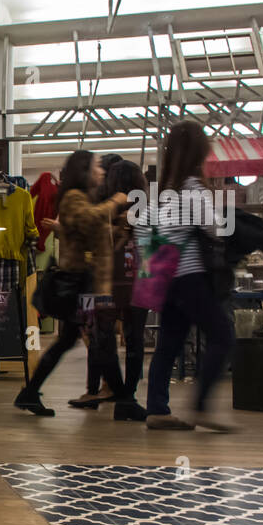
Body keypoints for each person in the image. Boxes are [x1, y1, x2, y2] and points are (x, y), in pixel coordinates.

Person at [15, 150, 146, 420]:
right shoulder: (74, 198)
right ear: (85, 171)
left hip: (87, 282)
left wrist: (119, 229)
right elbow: (88, 221)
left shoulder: (83, 199)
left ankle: (30, 393)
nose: (101, 172)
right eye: (96, 167)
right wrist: (115, 202)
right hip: (82, 284)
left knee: (76, 341)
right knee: (101, 342)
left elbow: (92, 233)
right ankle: (124, 401)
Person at [137, 120, 236, 431]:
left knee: (168, 343)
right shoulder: (194, 189)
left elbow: (143, 235)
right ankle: (202, 406)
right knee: (222, 336)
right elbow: (214, 230)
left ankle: (157, 409)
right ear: (198, 152)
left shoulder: (164, 193)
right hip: (191, 277)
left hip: (167, 280)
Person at [71, 159, 150, 408]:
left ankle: (115, 390)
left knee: (101, 337)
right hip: (138, 282)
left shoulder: (106, 207)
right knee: (135, 339)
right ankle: (128, 394)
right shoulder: (146, 209)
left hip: (108, 281)